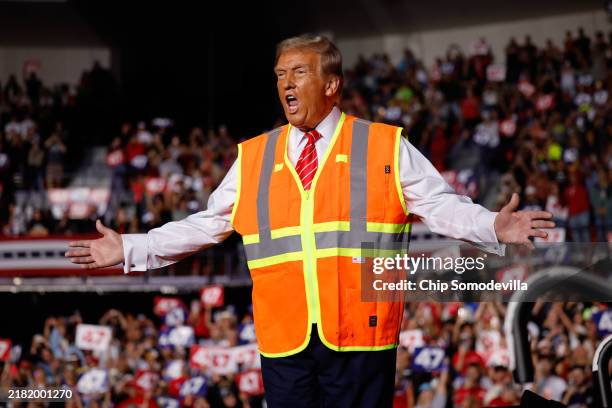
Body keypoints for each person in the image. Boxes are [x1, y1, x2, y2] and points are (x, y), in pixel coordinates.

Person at [66, 35, 555, 407]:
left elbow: (441, 205)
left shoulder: (382, 144)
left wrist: (494, 225)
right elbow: (204, 225)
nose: (285, 84)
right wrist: (129, 248)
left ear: (331, 84)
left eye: (298, 72)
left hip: (361, 338)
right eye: (280, 75)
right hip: (285, 343)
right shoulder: (255, 157)